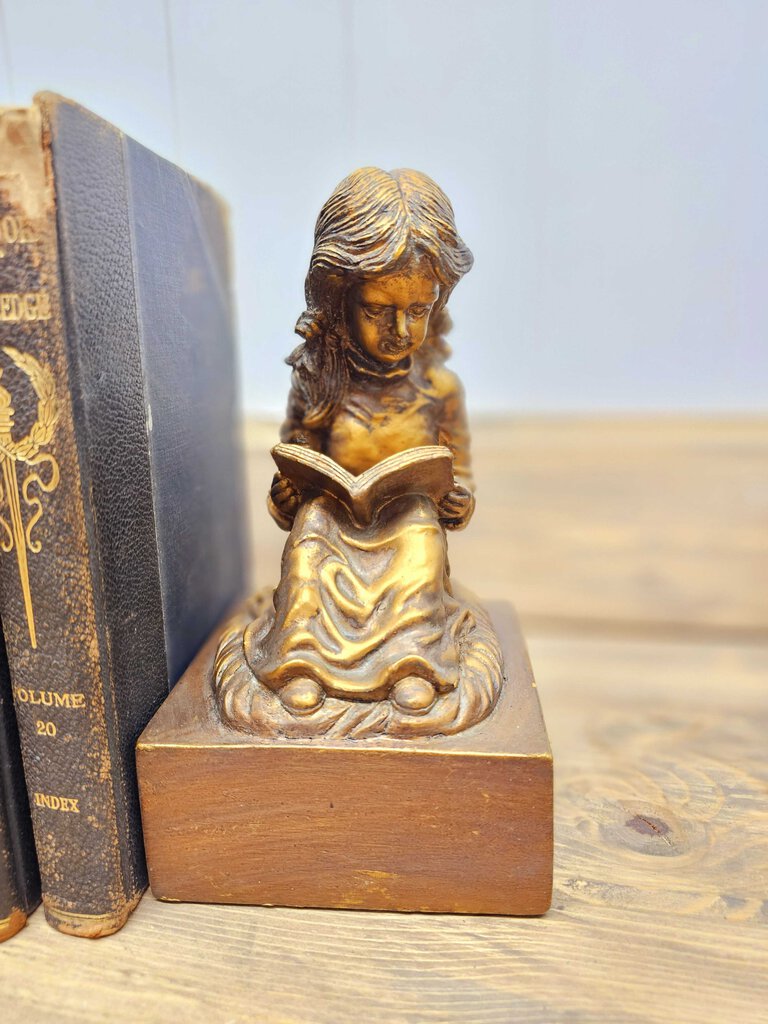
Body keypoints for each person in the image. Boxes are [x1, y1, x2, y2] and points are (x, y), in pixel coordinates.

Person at [214, 168, 503, 739]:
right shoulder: (318, 381)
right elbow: (294, 462)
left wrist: (455, 500)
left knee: (419, 535)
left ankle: (414, 664)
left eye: (418, 310)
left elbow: (461, 484)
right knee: (311, 537)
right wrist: (289, 495)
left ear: (438, 302)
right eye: (377, 310)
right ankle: (301, 663)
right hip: (335, 524)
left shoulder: (441, 391)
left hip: (407, 526)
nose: (400, 329)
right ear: (339, 298)